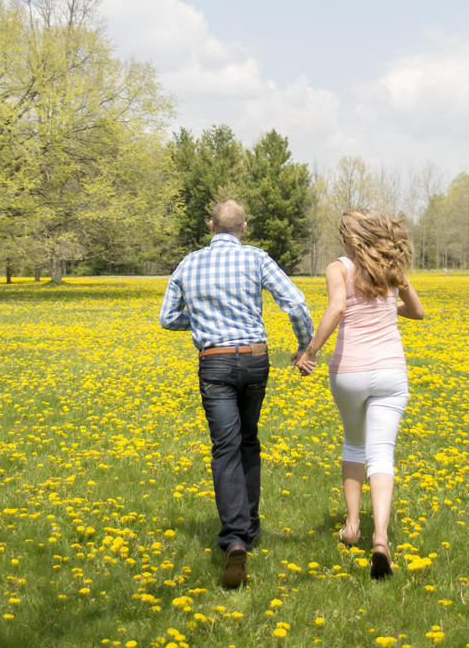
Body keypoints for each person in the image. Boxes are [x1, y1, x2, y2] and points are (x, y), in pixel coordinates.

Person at [160, 198, 314, 589]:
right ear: (243, 229)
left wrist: (201, 316)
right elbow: (295, 302)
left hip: (214, 361)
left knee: (224, 447)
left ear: (211, 226)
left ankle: (234, 539)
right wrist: (303, 345)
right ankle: (251, 526)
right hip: (255, 360)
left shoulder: (188, 263)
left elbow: (166, 318)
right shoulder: (257, 258)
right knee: (248, 440)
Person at [292, 208, 424, 578]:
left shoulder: (339, 268)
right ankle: (380, 538)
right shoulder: (392, 268)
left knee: (354, 444)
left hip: (349, 371)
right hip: (390, 372)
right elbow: (417, 311)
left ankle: (352, 528)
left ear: (348, 237)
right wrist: (385, 305)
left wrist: (310, 351)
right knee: (382, 453)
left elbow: (336, 308)